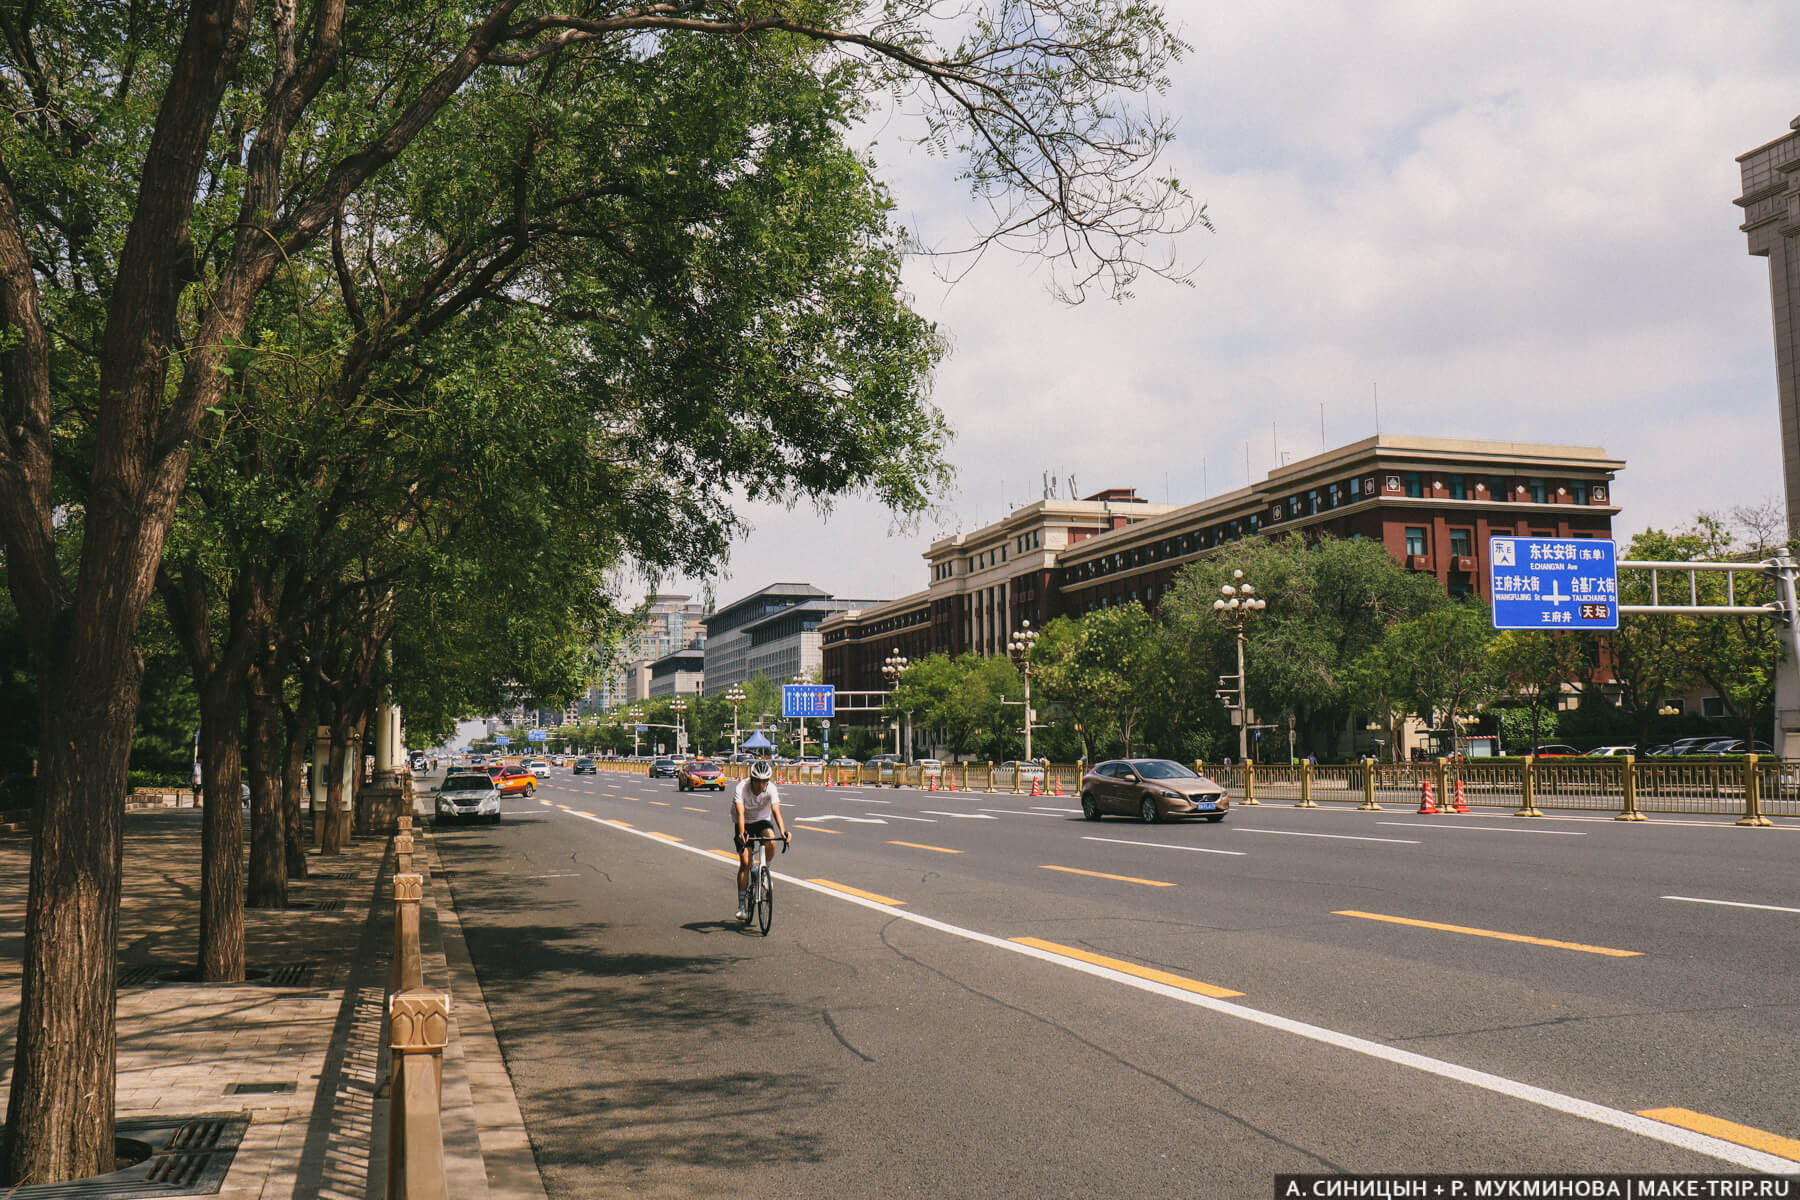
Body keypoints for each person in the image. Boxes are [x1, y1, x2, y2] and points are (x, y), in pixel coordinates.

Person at [732, 759, 790, 921]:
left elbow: (776, 811)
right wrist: (742, 833)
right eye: (758, 781)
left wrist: (784, 832)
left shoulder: (771, 788)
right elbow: (741, 813)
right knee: (745, 862)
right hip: (743, 822)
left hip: (762, 820)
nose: (761, 786)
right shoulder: (741, 787)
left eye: (765, 782)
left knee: (771, 840)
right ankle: (742, 904)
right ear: (752, 779)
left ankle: (764, 871)